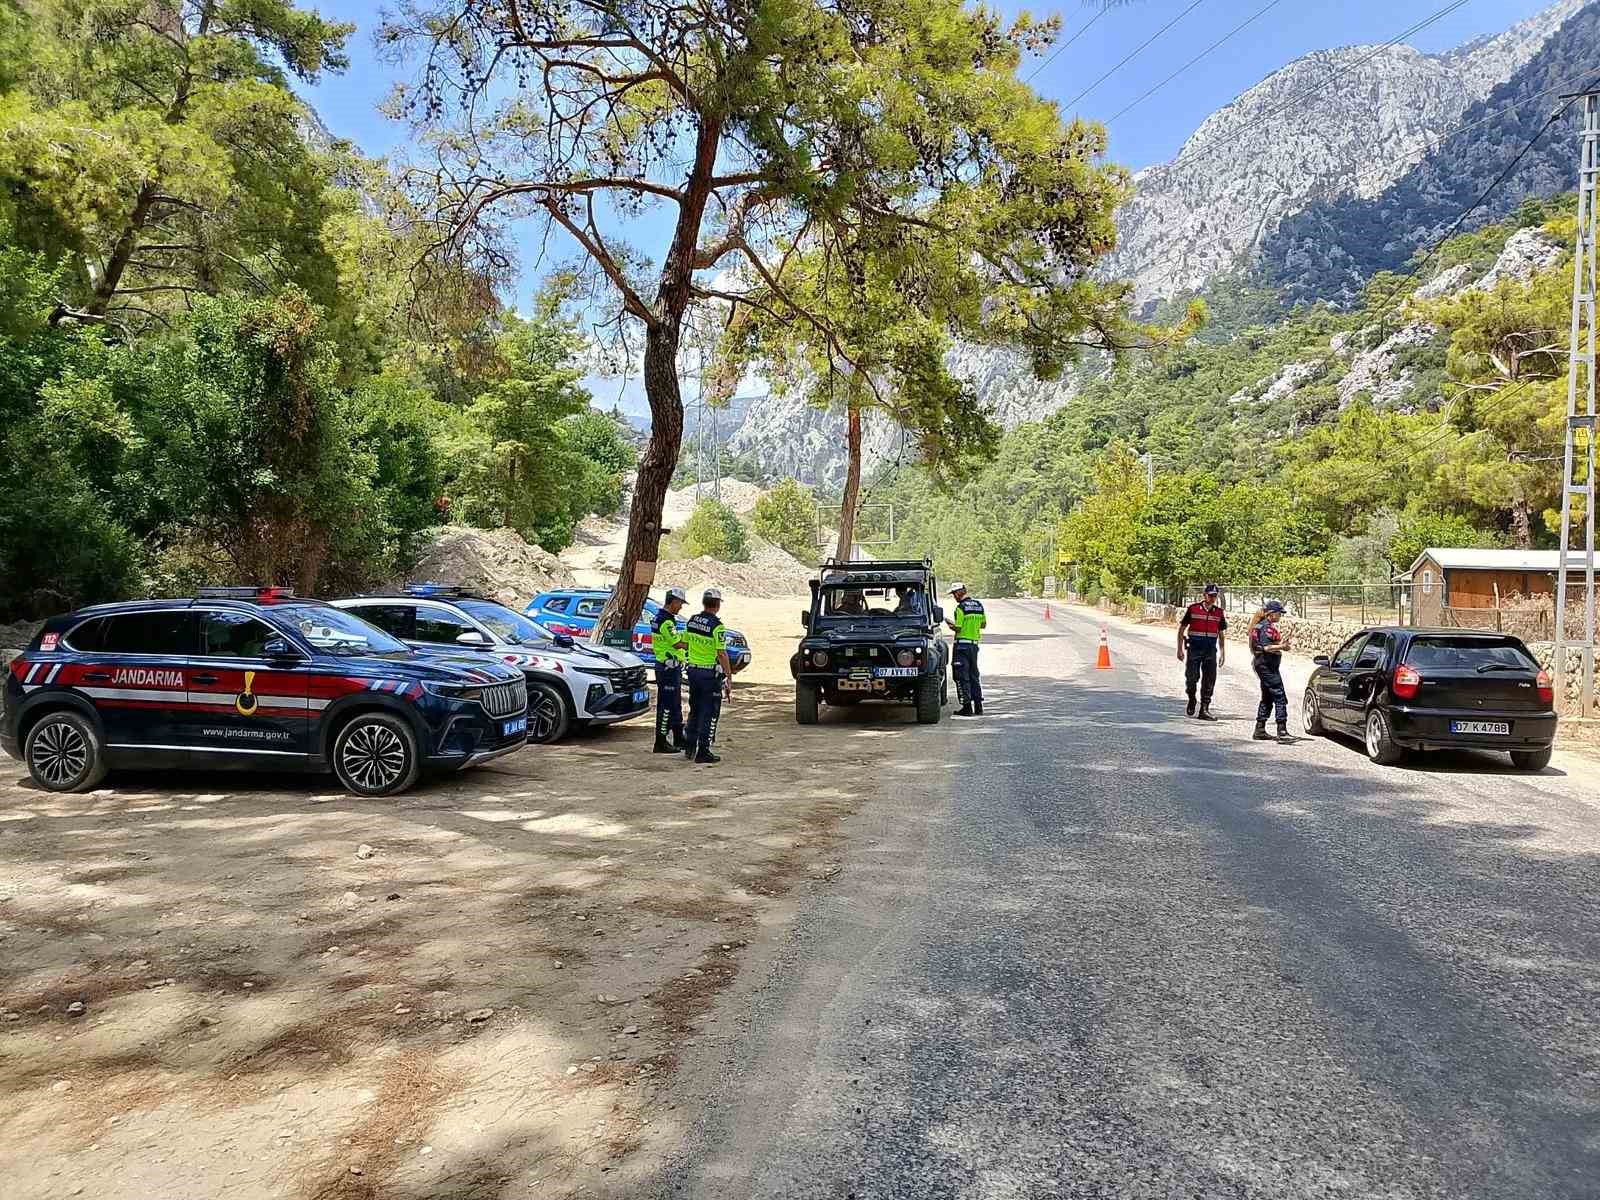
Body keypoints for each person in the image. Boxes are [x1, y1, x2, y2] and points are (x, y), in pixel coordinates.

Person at [683, 588, 734, 765]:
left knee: (695, 709)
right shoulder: (717, 626)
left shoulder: (692, 621)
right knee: (708, 711)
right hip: (709, 675)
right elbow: (721, 653)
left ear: (704, 603)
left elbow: (685, 643)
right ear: (718, 605)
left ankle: (689, 746)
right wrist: (728, 675)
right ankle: (703, 750)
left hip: (693, 672)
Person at [1176, 583, 1227, 720]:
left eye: (1215, 596)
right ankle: (1192, 698)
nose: (1212, 598)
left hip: (1210, 650)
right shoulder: (1193, 609)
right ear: (1204, 595)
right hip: (1194, 649)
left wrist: (1222, 652)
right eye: (1210, 595)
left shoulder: (1219, 612)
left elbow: (1221, 633)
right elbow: (1182, 629)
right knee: (1191, 678)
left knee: (1209, 679)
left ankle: (1204, 709)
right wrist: (1179, 649)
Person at [1249, 600, 1293, 743]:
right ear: (1271, 613)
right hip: (1266, 665)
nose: (1280, 616)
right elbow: (1266, 647)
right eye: (1279, 613)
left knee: (1267, 697)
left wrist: (1280, 645)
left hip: (1265, 665)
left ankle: (1260, 729)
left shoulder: (1261, 626)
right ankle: (1282, 731)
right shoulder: (1265, 627)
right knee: (1279, 695)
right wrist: (1282, 647)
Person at [651, 587, 689, 754]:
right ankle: (660, 741)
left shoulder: (662, 618)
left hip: (669, 667)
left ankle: (678, 738)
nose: (681, 607)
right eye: (680, 603)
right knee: (666, 706)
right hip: (668, 668)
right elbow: (677, 644)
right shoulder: (665, 621)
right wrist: (695, 645)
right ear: (673, 602)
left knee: (675, 704)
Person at [945, 582, 986, 716]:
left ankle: (967, 707)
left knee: (962, 676)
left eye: (954, 594)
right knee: (974, 675)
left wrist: (950, 624)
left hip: (961, 646)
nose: (954, 597)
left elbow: (958, 627)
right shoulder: (978, 606)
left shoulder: (960, 608)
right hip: (974, 645)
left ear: (958, 593)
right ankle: (978, 707)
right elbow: (983, 624)